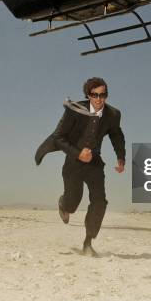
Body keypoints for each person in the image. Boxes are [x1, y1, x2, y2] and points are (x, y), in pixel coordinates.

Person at [35, 77, 125, 256]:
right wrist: (77, 153)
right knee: (73, 203)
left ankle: (88, 242)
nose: (99, 99)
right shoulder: (75, 110)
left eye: (103, 95)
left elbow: (116, 135)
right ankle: (64, 204)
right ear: (88, 95)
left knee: (99, 201)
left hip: (95, 163)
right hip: (73, 163)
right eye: (94, 95)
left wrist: (121, 158)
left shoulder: (113, 114)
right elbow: (58, 138)